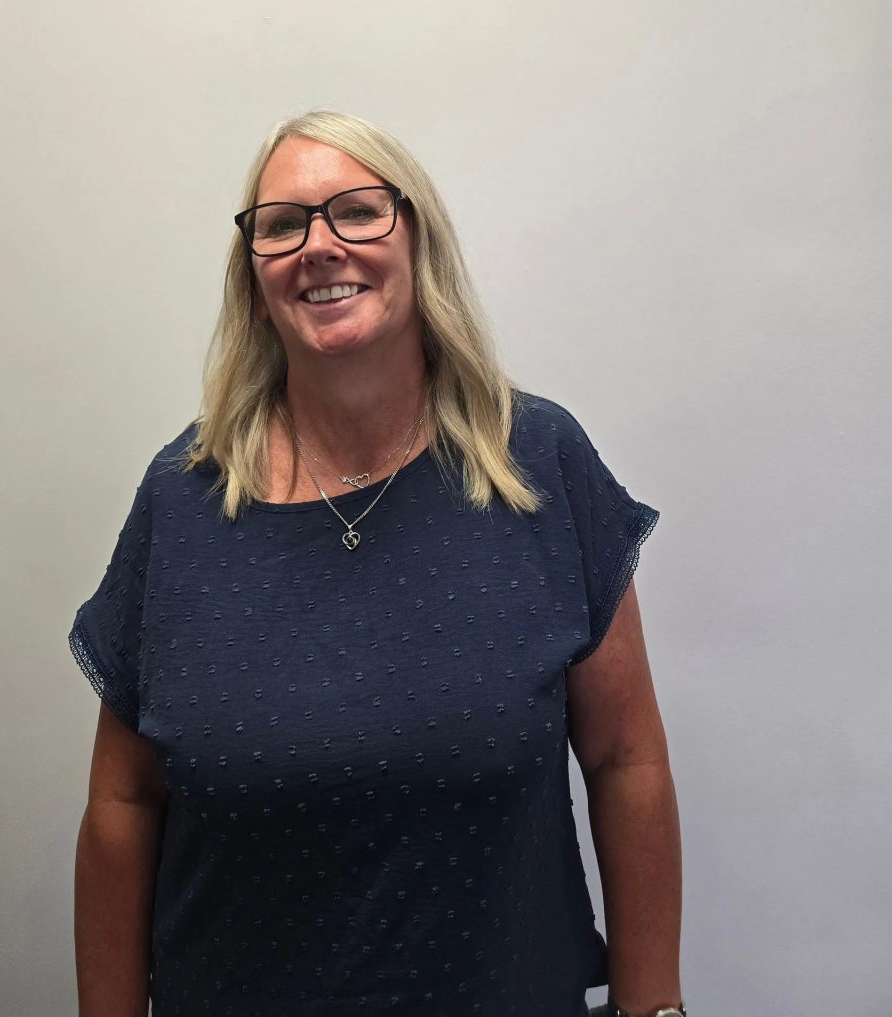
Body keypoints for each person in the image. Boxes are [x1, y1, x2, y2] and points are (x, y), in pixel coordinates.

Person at [70, 110, 684, 1017]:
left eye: (358, 211)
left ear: (417, 244)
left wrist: (655, 1008)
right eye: (283, 224)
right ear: (255, 281)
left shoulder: (537, 463)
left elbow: (626, 757)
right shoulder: (182, 498)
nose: (319, 245)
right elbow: (123, 802)